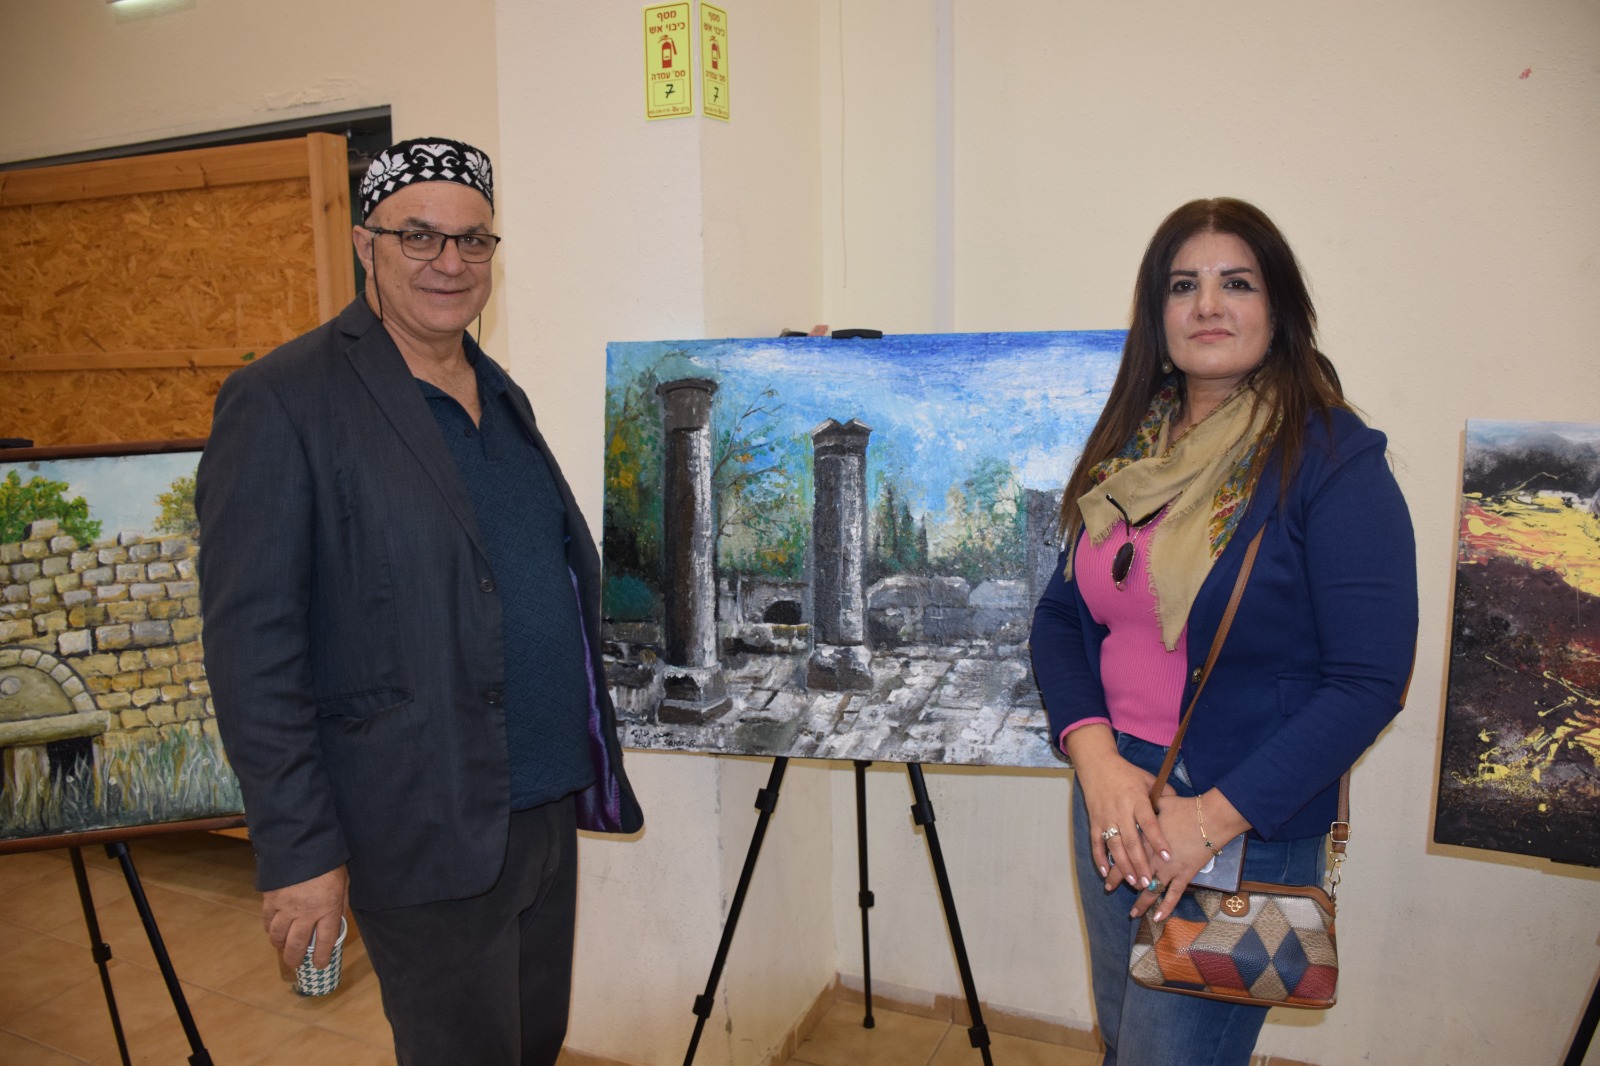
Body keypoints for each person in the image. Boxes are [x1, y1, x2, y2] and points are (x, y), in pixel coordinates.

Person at [196, 137, 642, 1065]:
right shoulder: (282, 400)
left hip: (542, 806)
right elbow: (252, 651)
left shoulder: (499, 392)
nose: (450, 262)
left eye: (474, 240)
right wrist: (299, 851)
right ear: (367, 245)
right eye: (420, 236)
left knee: (533, 1044)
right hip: (421, 821)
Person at [1030, 198, 1416, 1065]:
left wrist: (1207, 819)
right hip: (1113, 797)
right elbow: (1060, 615)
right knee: (1123, 1038)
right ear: (1157, 314)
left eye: (1236, 283)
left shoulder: (1331, 459)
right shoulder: (1133, 450)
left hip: (1238, 816)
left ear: (1278, 308)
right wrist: (1097, 761)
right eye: (1183, 285)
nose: (1207, 305)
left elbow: (1368, 681)